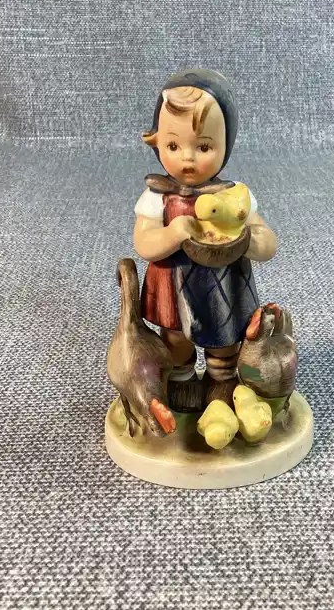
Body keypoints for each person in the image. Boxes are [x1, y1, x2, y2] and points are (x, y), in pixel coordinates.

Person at [133, 69, 277, 410]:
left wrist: (248, 240)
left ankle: (221, 384)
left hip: (223, 282)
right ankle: (183, 383)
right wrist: (172, 233)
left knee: (224, 339)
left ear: (226, 145)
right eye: (173, 145)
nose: (187, 158)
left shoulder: (234, 197)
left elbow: (268, 241)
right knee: (175, 337)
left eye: (204, 146)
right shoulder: (158, 197)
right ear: (156, 141)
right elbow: (143, 243)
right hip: (173, 281)